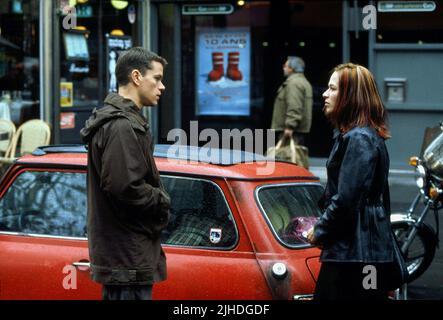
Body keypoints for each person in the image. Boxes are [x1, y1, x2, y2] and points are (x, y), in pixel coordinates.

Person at [80, 47, 170, 300]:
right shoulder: (121, 126)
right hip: (126, 257)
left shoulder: (124, 122)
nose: (162, 86)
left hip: (126, 256)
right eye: (157, 78)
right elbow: (125, 188)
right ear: (136, 77)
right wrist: (163, 200)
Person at [306, 63, 393, 300]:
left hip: (353, 253)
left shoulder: (359, 139)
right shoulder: (363, 135)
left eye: (332, 89)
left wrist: (320, 230)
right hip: (365, 251)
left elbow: (346, 199)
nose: (324, 94)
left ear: (350, 97)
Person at [271, 56, 313, 147]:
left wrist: (290, 126)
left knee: (287, 159)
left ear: (291, 69)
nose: (283, 68)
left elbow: (295, 106)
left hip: (291, 132)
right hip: (295, 131)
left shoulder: (294, 83)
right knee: (295, 158)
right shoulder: (301, 81)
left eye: (285, 66)